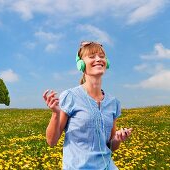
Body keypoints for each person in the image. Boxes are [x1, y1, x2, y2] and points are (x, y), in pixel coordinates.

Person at [43, 41, 132, 170]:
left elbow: (111, 146)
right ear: (81, 64)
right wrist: (55, 114)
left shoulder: (114, 103)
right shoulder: (70, 96)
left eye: (101, 56)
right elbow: (52, 142)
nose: (98, 59)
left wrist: (117, 139)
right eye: (92, 56)